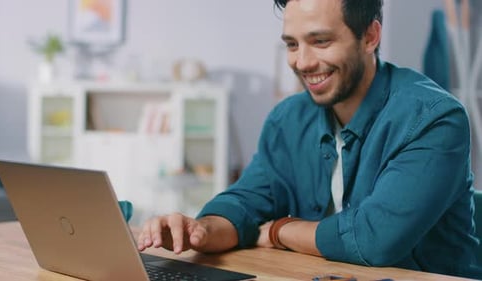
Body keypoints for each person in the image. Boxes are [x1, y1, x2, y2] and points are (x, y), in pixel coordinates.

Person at [138, 0, 481, 278]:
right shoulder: (287, 118)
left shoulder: (434, 118)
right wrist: (199, 229)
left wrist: (277, 231)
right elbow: (245, 203)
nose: (302, 62)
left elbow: (374, 239)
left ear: (370, 37)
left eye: (320, 41)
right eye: (292, 44)